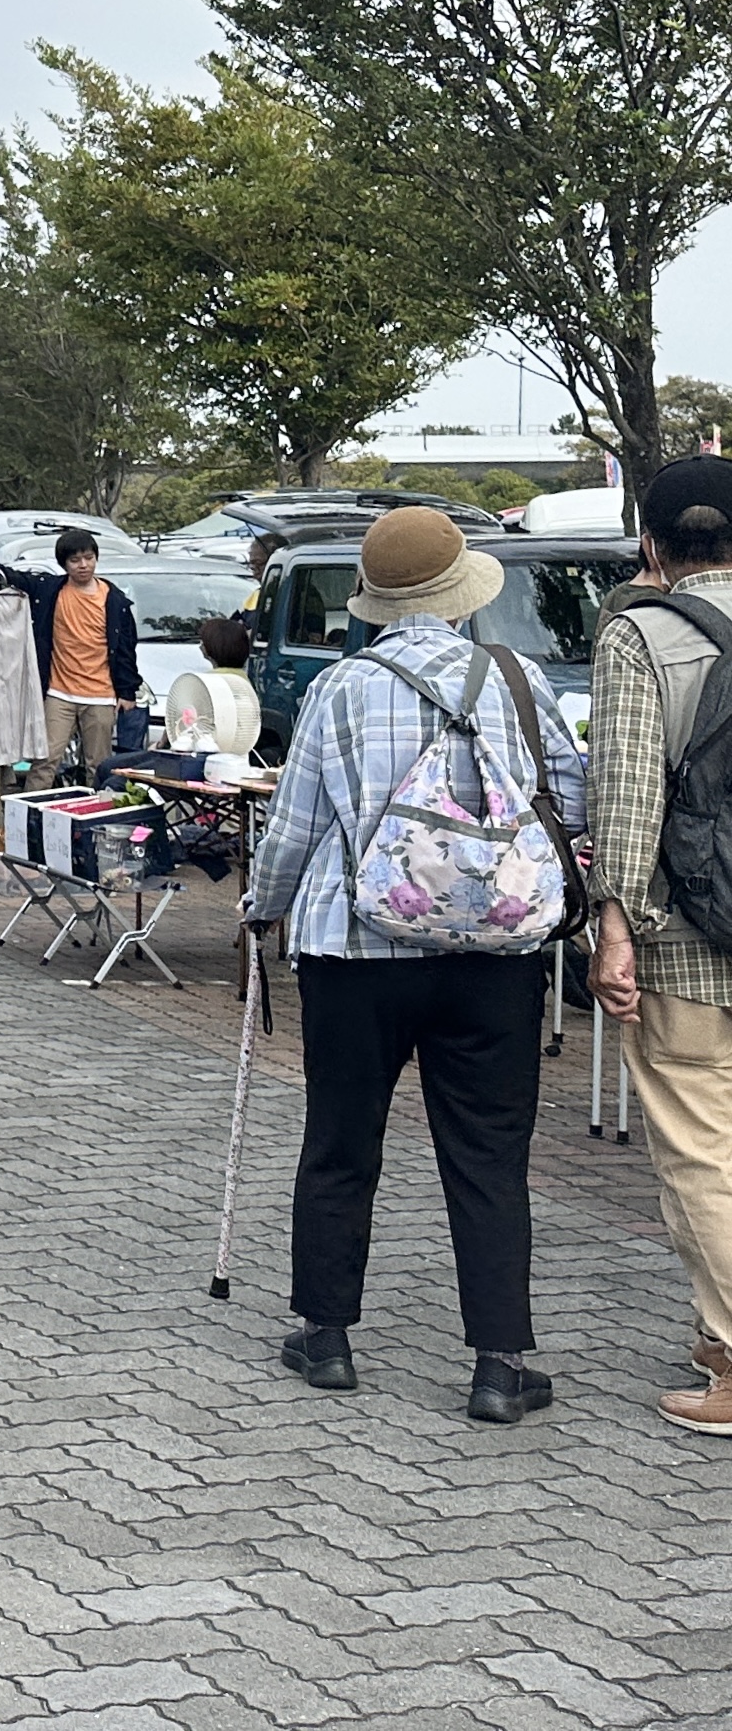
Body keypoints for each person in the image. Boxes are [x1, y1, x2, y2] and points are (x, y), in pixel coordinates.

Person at [244, 507, 585, 1425]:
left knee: (341, 1137)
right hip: (496, 955)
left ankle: (326, 1336)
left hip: (356, 950)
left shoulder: (341, 686)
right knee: (489, 1154)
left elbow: (295, 827)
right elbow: (572, 794)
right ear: (462, 594)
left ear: (376, 599)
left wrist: (261, 906)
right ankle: (500, 1365)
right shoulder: (516, 678)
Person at [585, 455, 732, 1435]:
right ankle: (714, 1336)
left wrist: (613, 927)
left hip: (685, 936)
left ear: (650, 545)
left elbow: (629, 795)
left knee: (700, 1151)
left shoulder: (639, 635)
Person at [3, 530, 140, 782]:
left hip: (101, 695)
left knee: (99, 766)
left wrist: (127, 691)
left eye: (88, 558)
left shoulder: (115, 601)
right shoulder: (51, 590)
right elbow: (15, 578)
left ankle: (97, 808)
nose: (83, 565)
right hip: (59, 693)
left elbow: (126, 649)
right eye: (75, 560)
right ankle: (30, 808)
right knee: (44, 762)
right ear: (64, 564)